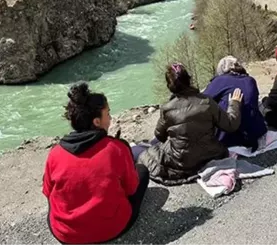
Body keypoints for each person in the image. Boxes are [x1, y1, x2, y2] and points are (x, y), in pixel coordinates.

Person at [43, 83, 148, 245]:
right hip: (112, 229)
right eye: (108, 114)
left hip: (66, 235)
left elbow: (47, 192)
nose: (111, 118)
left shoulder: (55, 153)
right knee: (142, 172)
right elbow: (131, 188)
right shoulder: (116, 148)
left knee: (52, 192)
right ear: (97, 122)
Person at [138, 63, 242, 185]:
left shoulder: (167, 109)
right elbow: (231, 125)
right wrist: (234, 104)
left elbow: (160, 136)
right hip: (212, 154)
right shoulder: (207, 101)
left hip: (182, 161)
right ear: (189, 80)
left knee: (145, 156)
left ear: (170, 86)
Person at [203, 56, 267, 150]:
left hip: (229, 137)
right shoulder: (250, 80)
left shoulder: (221, 80)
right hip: (254, 134)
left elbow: (201, 101)